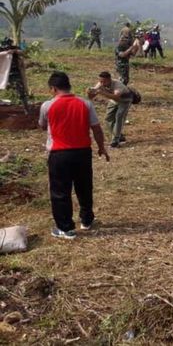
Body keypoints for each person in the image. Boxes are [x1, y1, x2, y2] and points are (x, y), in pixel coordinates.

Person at [39, 71, 109, 239]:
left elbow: (42, 125)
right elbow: (96, 128)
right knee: (84, 187)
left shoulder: (47, 106)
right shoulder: (85, 104)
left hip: (59, 154)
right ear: (69, 86)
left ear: (53, 89)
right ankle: (86, 220)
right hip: (83, 152)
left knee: (60, 190)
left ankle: (65, 228)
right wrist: (101, 147)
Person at [88, 71, 133, 148]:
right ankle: (119, 136)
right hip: (114, 101)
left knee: (119, 117)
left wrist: (102, 92)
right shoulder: (100, 84)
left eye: (104, 81)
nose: (102, 83)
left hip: (124, 100)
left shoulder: (117, 85)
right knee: (108, 118)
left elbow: (116, 96)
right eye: (101, 81)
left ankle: (115, 140)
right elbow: (91, 97)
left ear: (109, 80)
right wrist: (89, 92)